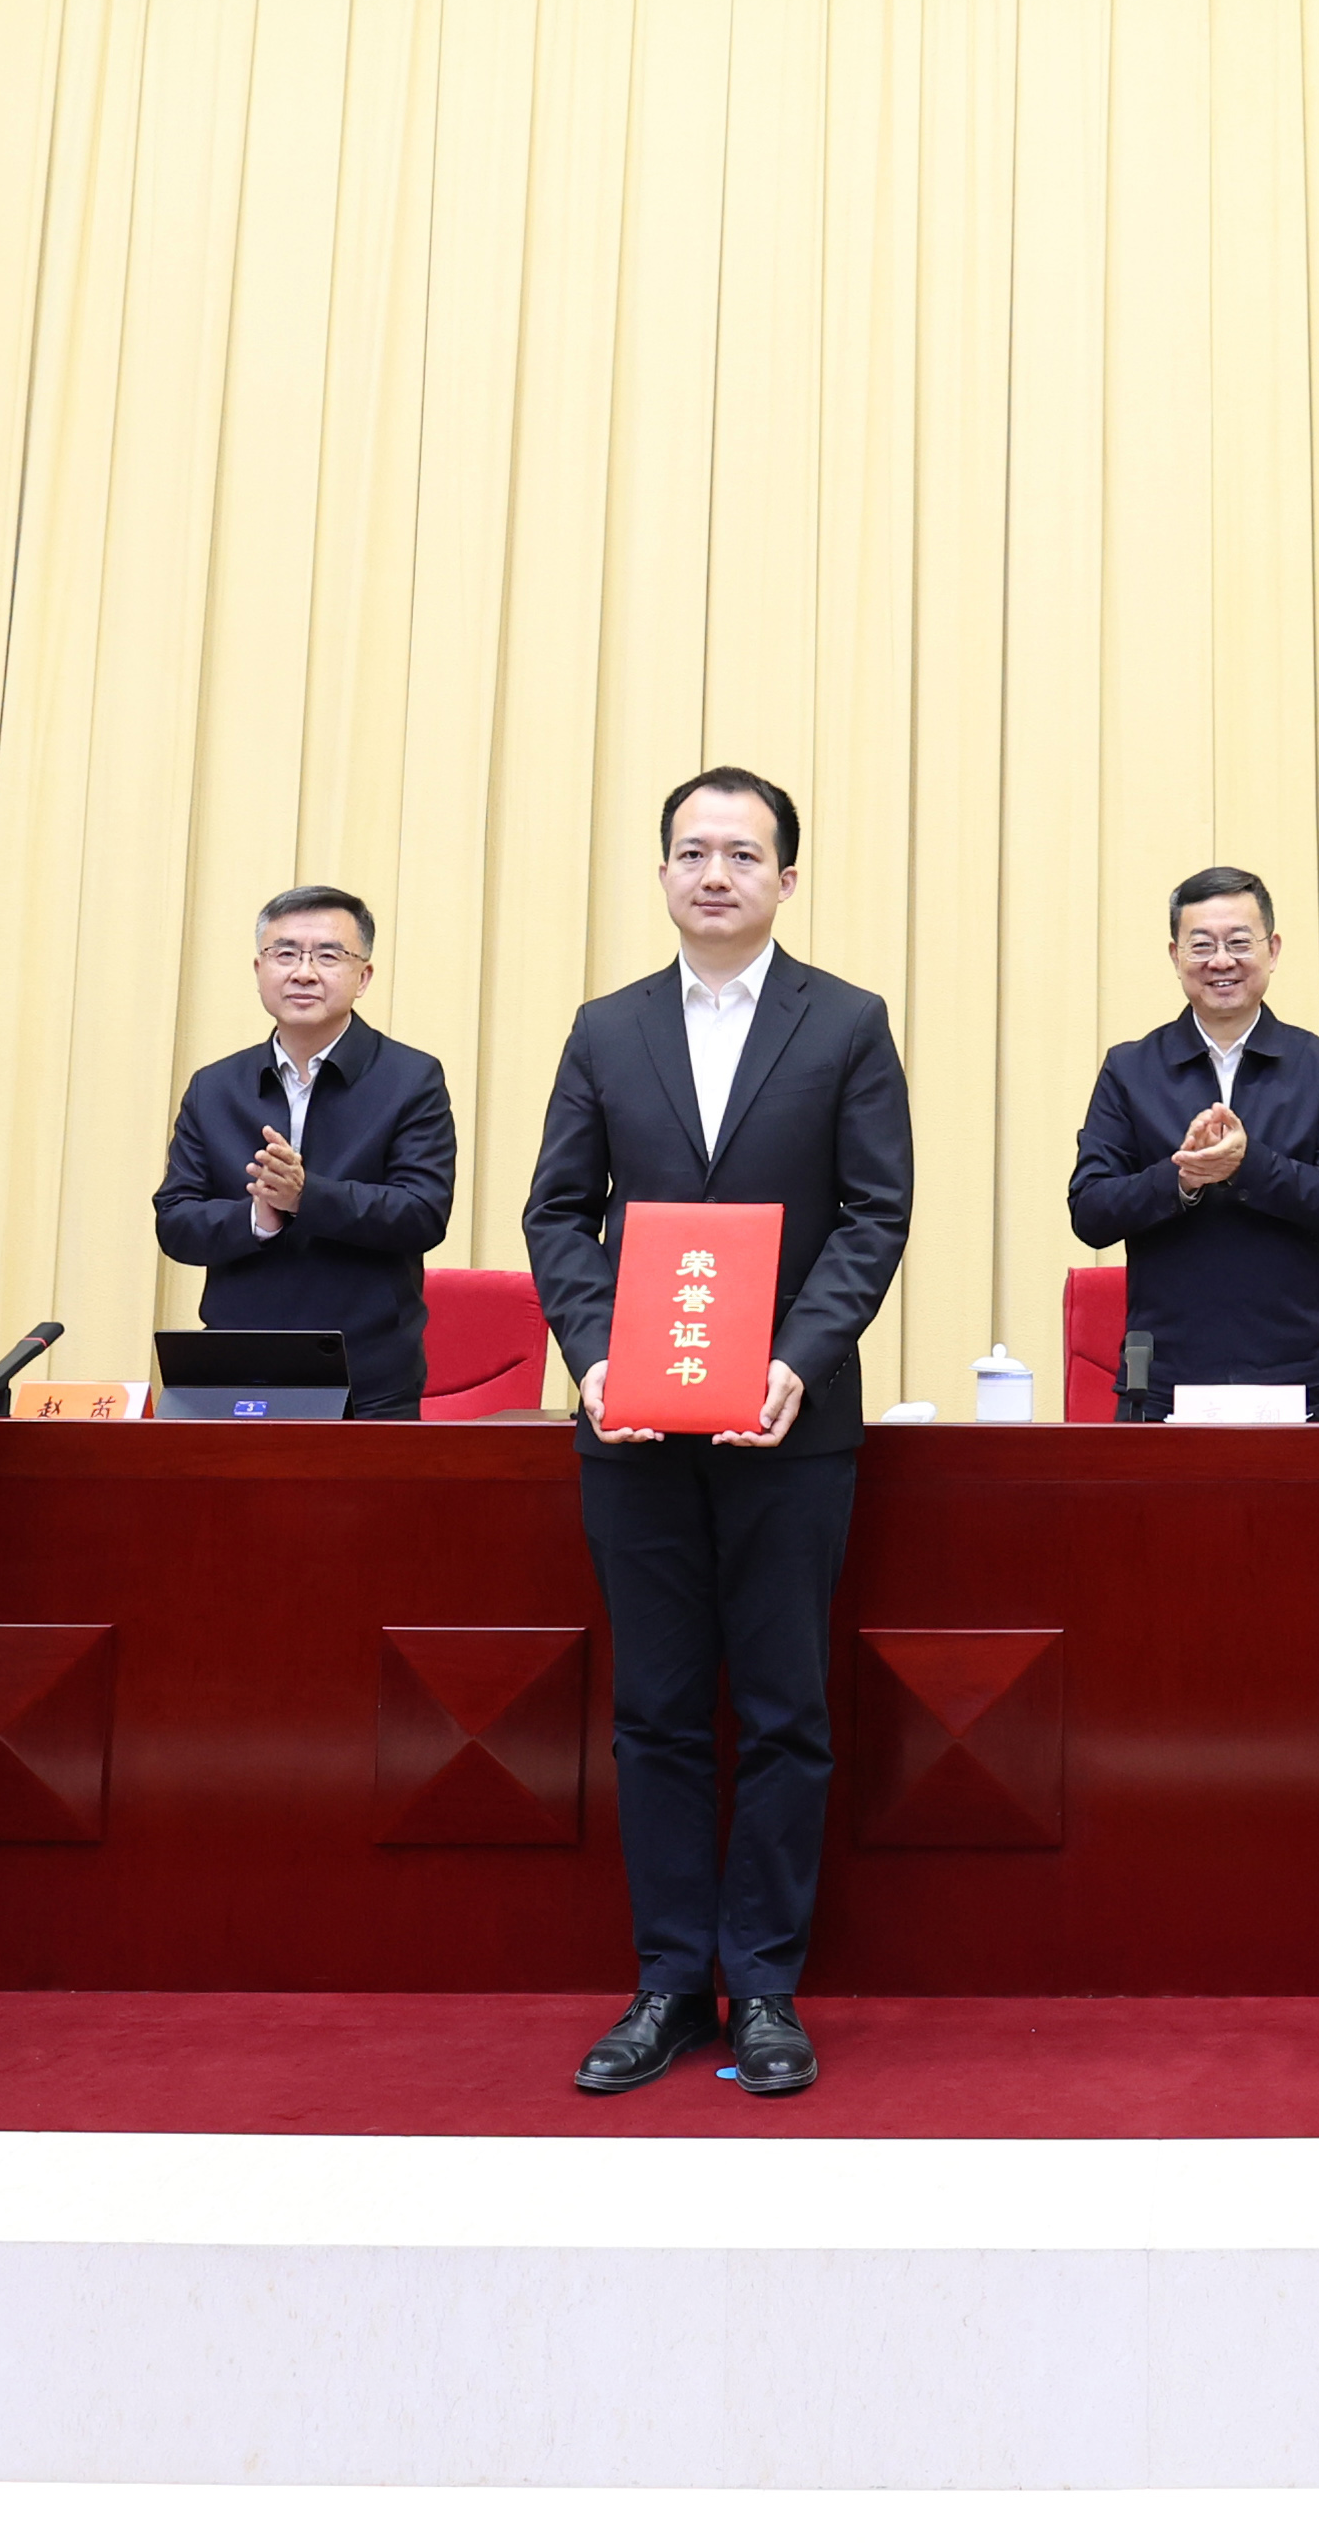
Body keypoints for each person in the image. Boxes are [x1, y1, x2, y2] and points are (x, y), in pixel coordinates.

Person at [521, 766, 916, 2101]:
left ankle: (767, 1986)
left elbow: (874, 1212)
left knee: (786, 1710)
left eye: (743, 854)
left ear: (786, 880)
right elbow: (556, 1211)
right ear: (663, 873)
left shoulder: (846, 1022)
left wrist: (798, 1358)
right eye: (692, 851)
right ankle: (669, 1983)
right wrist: (594, 1356)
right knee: (656, 1711)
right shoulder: (607, 1028)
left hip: (785, 1428)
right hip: (633, 1429)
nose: (715, 873)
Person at [1063, 866, 1319, 1409]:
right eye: (1202, 945)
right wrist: (1181, 1179)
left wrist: (1249, 1165)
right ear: (1175, 956)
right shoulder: (1130, 1069)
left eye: (1238, 942)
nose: (1221, 961)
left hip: (1299, 1380)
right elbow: (1089, 1211)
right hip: (1161, 1380)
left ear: (1272, 950)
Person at [154, 885, 457, 1419]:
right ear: (259, 969)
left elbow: (422, 1213)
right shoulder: (215, 1087)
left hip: (367, 1377)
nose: (304, 972)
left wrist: (305, 1197)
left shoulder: (411, 1079)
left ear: (363, 977)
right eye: (285, 953)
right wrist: (258, 1218)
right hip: (233, 1369)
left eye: (328, 956)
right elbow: (176, 1222)